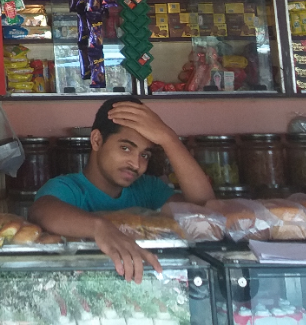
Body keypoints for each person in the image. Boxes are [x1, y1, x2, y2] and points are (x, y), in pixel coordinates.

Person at [28, 97, 214, 283]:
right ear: (97, 140)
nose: (136, 164)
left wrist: (168, 139)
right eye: (125, 148)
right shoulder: (69, 188)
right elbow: (41, 211)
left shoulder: (149, 189)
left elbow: (204, 209)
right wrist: (101, 228)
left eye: (145, 155)